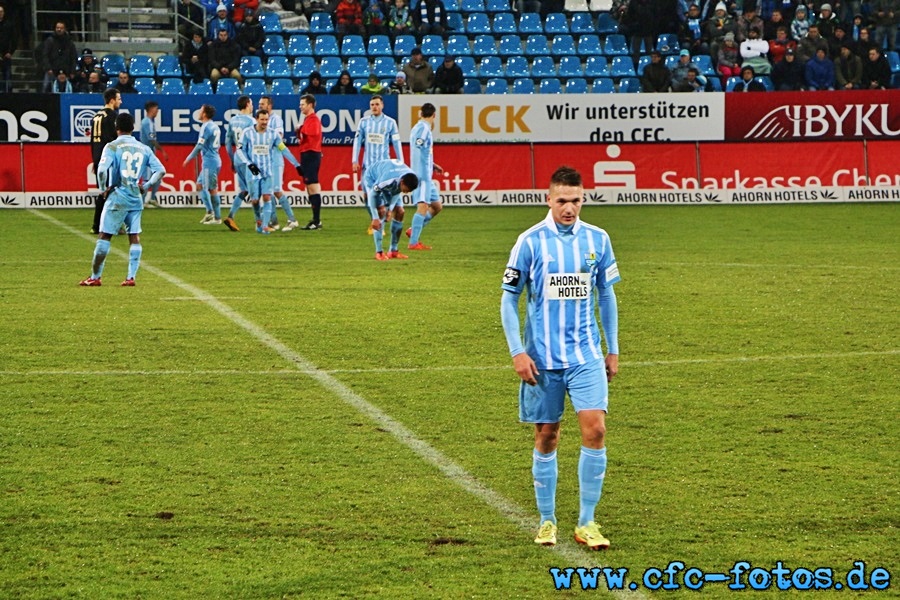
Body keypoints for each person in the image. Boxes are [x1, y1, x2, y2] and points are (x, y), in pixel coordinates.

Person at [500, 165, 620, 551]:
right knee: (547, 436)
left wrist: (612, 347)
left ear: (584, 199)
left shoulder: (598, 239)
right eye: (562, 201)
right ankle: (547, 519)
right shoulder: (530, 242)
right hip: (542, 360)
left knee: (596, 430)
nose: (570, 208)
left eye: (576, 200)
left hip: (586, 356)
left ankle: (586, 521)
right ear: (548, 200)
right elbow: (509, 298)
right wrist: (518, 351)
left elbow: (606, 294)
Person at [79, 113, 166, 287]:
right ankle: (130, 277)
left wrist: (103, 189)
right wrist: (147, 185)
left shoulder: (112, 146)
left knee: (104, 236)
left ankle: (95, 277)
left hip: (118, 196)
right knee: (134, 236)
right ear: (133, 128)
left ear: (116, 128)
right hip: (136, 197)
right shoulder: (144, 148)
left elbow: (102, 170)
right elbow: (161, 170)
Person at [235, 109, 302, 234]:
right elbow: (240, 150)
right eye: (262, 119)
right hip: (253, 170)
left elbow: (283, 149)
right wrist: (249, 163)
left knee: (267, 197)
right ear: (256, 119)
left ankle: (265, 226)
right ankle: (259, 221)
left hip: (267, 170)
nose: (265, 122)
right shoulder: (247, 133)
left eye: (266, 119)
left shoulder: (273, 134)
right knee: (255, 200)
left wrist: (296, 164)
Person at [363, 159, 419, 260]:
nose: (406, 193)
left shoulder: (410, 177)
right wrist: (375, 218)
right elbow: (372, 195)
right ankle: (379, 252)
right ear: (402, 182)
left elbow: (396, 192)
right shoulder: (386, 181)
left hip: (392, 180)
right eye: (406, 190)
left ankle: (393, 251)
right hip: (372, 177)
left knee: (400, 212)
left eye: (409, 191)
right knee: (381, 212)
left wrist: (390, 209)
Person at [259, 96, 300, 232]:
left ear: (269, 106)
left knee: (276, 190)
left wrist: (295, 163)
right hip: (265, 162)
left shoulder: (276, 120)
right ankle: (274, 221)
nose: (260, 106)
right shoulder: (258, 123)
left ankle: (292, 219)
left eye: (263, 104)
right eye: (259, 104)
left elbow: (279, 138)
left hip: (276, 160)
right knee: (267, 192)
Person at [407, 103, 443, 251]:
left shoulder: (417, 127)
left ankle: (412, 230)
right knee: (422, 206)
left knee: (437, 206)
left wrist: (433, 164)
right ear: (434, 115)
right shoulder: (424, 129)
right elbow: (419, 144)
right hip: (421, 175)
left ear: (420, 113)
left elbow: (421, 151)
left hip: (427, 174)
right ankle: (413, 243)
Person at [183, 104, 223, 225]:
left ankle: (210, 212)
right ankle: (217, 217)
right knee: (206, 187)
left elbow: (200, 145)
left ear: (204, 114)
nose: (199, 113)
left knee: (204, 187)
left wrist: (188, 158)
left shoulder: (206, 127)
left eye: (200, 110)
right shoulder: (215, 126)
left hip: (209, 162)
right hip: (215, 160)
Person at [223, 95, 257, 232]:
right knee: (257, 188)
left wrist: (232, 159)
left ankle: (231, 216)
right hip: (249, 159)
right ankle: (260, 222)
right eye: (252, 103)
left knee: (244, 190)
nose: (253, 106)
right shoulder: (252, 121)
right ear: (248, 104)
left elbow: (227, 143)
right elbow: (254, 142)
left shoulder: (232, 120)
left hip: (237, 157)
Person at [91, 89, 122, 235]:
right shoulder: (112, 116)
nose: (120, 102)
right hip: (108, 159)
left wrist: (95, 160)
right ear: (112, 100)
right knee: (112, 192)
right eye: (118, 99)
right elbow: (112, 141)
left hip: (99, 158)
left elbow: (93, 141)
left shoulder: (96, 116)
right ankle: (107, 225)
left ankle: (98, 225)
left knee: (105, 192)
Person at [352, 94, 403, 182]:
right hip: (368, 164)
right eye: (372, 105)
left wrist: (401, 162)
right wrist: (354, 160)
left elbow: (396, 142)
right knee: (367, 192)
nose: (374, 107)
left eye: (377, 104)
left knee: (383, 190)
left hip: (384, 165)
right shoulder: (363, 122)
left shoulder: (390, 122)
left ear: (382, 105)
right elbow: (357, 141)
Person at [296, 93, 324, 230]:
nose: (300, 107)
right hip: (308, 154)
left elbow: (311, 134)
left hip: (311, 154)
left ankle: (317, 220)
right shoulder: (308, 119)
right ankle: (315, 219)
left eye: (303, 104)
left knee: (312, 186)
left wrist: (300, 129)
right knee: (310, 186)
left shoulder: (313, 120)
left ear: (310, 105)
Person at [139, 101, 170, 207]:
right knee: (147, 178)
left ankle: (152, 198)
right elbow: (151, 139)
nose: (157, 111)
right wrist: (163, 151)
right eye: (156, 109)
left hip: (151, 154)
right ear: (151, 109)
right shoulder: (147, 122)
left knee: (158, 175)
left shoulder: (150, 122)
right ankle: (141, 202)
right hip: (146, 155)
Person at [39, 20, 77, 93]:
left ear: (65, 29)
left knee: (67, 89)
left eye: (61, 28)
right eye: (57, 28)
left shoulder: (69, 42)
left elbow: (73, 57)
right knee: (46, 87)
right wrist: (48, 68)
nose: (59, 29)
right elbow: (45, 55)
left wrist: (72, 71)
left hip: (66, 71)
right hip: (52, 71)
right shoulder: (50, 41)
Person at [0, 6, 15, 93]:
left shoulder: (9, 25)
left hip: (6, 54)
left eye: (1, 11)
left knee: (7, 76)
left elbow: (13, 40)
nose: (0, 13)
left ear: (4, 13)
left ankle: (8, 94)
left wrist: (10, 52)